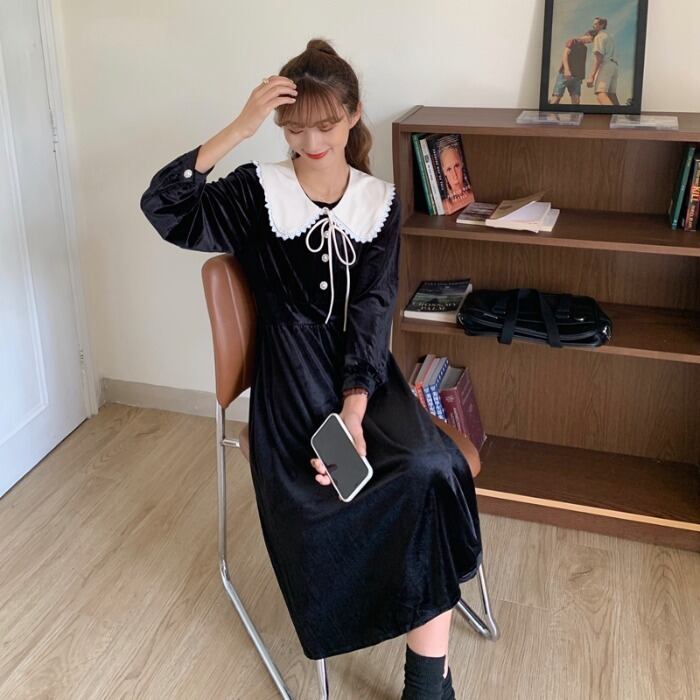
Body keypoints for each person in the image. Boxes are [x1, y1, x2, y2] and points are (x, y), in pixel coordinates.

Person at [140, 37, 482, 699]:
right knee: (330, 496)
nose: (311, 142)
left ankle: (426, 678)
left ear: (353, 116)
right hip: (290, 386)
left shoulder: (379, 203)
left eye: (325, 125)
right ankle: (404, 644)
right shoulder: (256, 192)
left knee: (431, 468)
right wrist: (237, 128)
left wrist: (355, 410)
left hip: (365, 379)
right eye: (294, 128)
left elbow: (374, 310)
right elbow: (166, 208)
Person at [549, 29, 597, 105]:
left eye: (592, 41)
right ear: (587, 35)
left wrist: (581, 77)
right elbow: (565, 55)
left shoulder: (585, 48)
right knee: (556, 99)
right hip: (565, 75)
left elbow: (581, 63)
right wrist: (566, 70)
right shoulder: (573, 41)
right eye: (591, 39)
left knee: (576, 102)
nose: (590, 42)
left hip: (577, 78)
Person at [586, 17, 620, 105]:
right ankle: (620, 114)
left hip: (606, 64)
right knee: (612, 95)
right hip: (614, 66)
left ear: (602, 25)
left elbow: (599, 58)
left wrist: (591, 76)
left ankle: (611, 113)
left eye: (595, 24)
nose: (593, 26)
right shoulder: (609, 36)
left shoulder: (599, 37)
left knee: (600, 94)